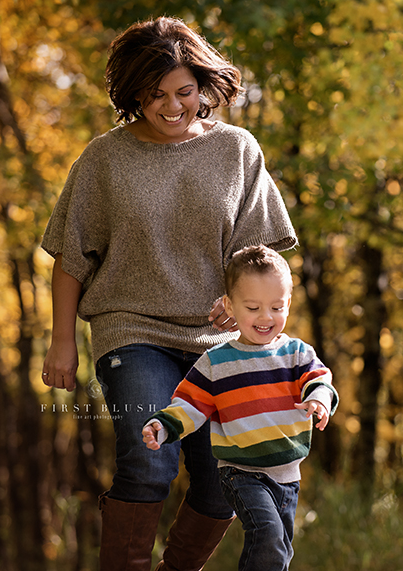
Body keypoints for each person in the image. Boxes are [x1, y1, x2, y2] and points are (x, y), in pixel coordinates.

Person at [40, 17, 298, 571]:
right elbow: (70, 255)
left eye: (185, 91)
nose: (173, 105)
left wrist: (247, 309)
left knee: (222, 480)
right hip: (132, 330)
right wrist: (63, 340)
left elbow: (260, 256)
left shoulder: (237, 150)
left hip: (219, 343)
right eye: (156, 95)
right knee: (150, 458)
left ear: (204, 88)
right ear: (134, 93)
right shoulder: (104, 159)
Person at [142, 245, 337, 571]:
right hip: (242, 473)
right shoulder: (216, 363)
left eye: (276, 307)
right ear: (230, 306)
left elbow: (320, 379)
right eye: (253, 307)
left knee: (279, 556)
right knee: (268, 536)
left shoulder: (295, 353)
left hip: (288, 478)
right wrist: (163, 426)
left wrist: (318, 399)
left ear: (288, 303)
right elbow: (189, 404)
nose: (266, 317)